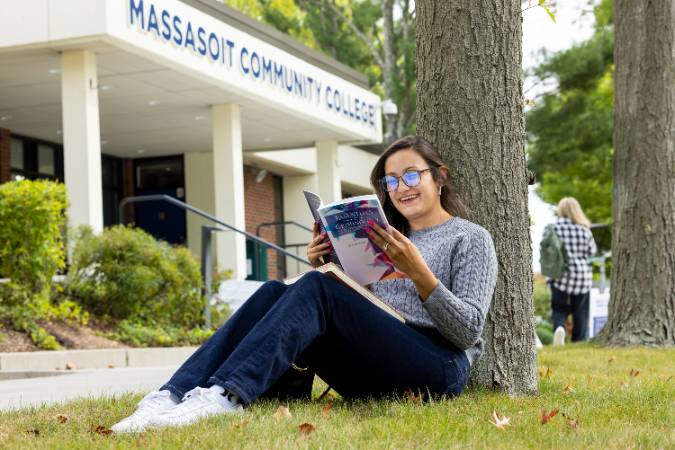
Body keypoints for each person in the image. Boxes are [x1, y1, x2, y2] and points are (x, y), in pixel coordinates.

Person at [111, 135, 498, 433]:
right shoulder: (383, 234)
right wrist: (329, 263)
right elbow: (363, 310)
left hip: (438, 369)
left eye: (413, 175)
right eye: (391, 180)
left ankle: (228, 395)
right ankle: (172, 394)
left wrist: (420, 273)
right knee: (275, 290)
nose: (402, 187)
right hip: (379, 365)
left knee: (317, 287)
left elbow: (467, 331)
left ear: (440, 177)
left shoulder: (470, 237)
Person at [547, 197, 597, 344]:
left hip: (559, 275)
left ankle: (559, 328)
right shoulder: (584, 230)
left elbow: (547, 251)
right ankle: (579, 340)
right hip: (582, 277)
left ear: (560, 210)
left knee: (559, 308)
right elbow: (592, 251)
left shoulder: (553, 228)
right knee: (580, 313)